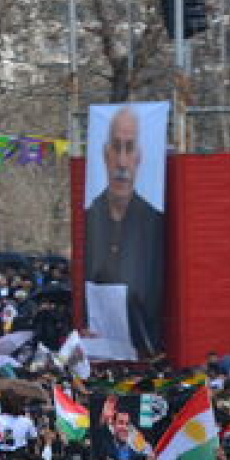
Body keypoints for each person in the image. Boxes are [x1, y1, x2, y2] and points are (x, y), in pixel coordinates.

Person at [83, 105, 165, 356]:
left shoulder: (154, 222)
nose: (121, 162)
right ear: (105, 154)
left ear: (139, 157)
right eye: (116, 147)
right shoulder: (90, 217)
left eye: (129, 148)